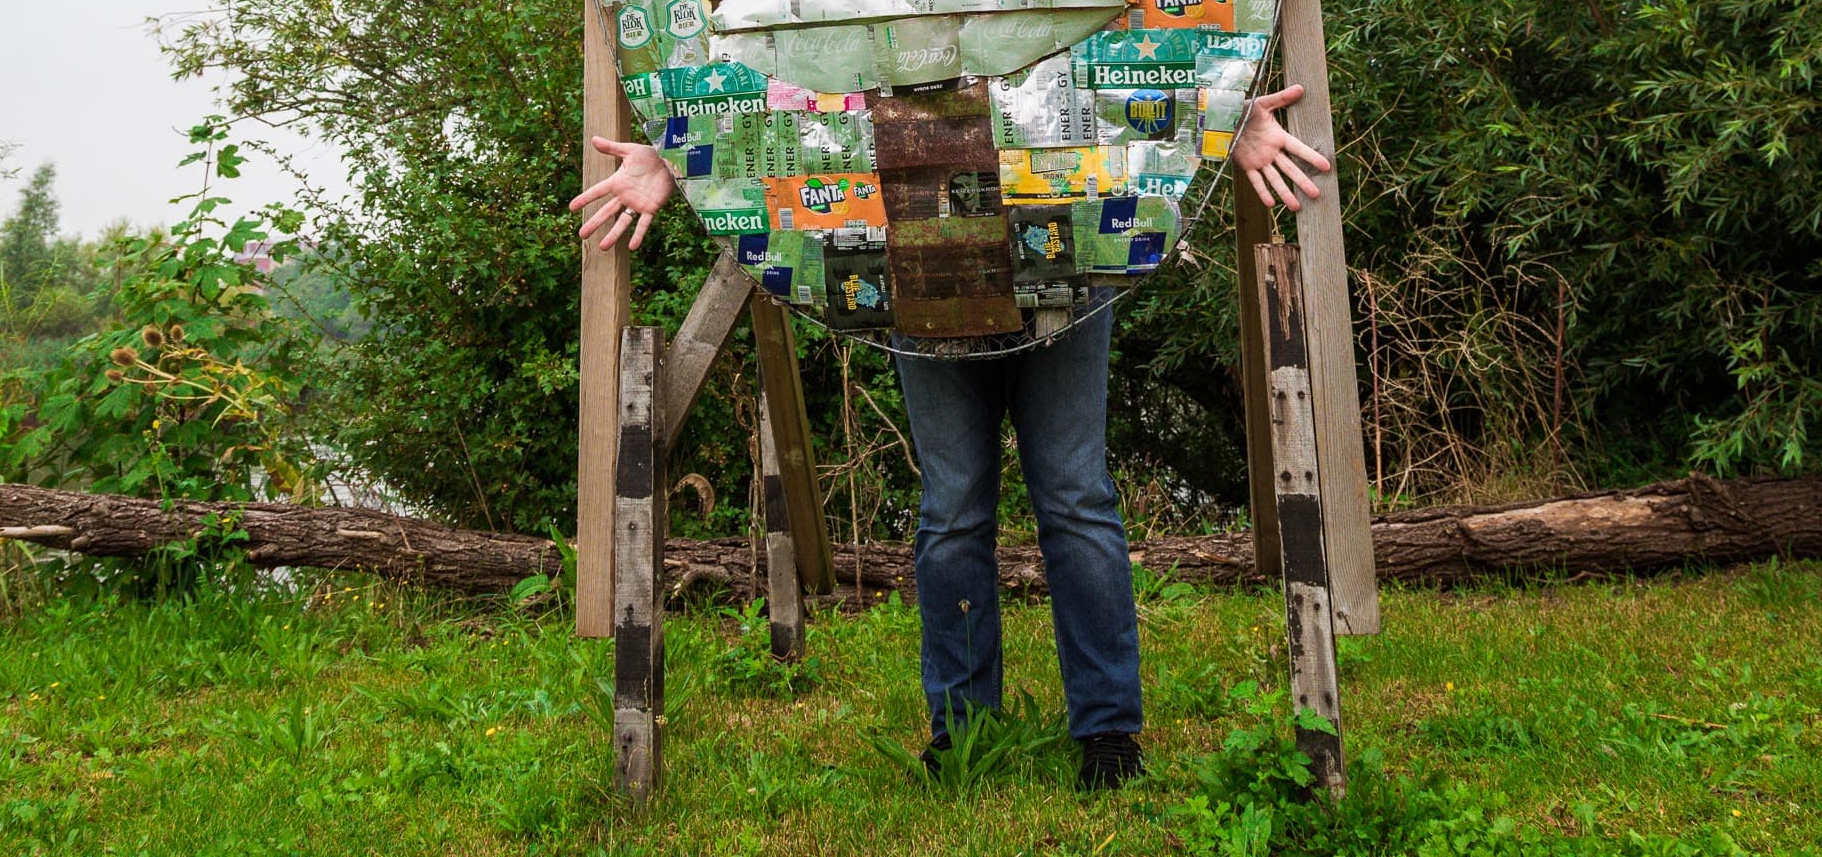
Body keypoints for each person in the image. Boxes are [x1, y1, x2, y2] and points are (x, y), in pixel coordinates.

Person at [570, 75, 1334, 791]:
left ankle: (1107, 733)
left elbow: (1107, 41)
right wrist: (683, 157)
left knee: (1073, 497)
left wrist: (1216, 113)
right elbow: (795, 74)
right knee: (955, 508)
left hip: (1058, 258)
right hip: (917, 261)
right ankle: (962, 729)